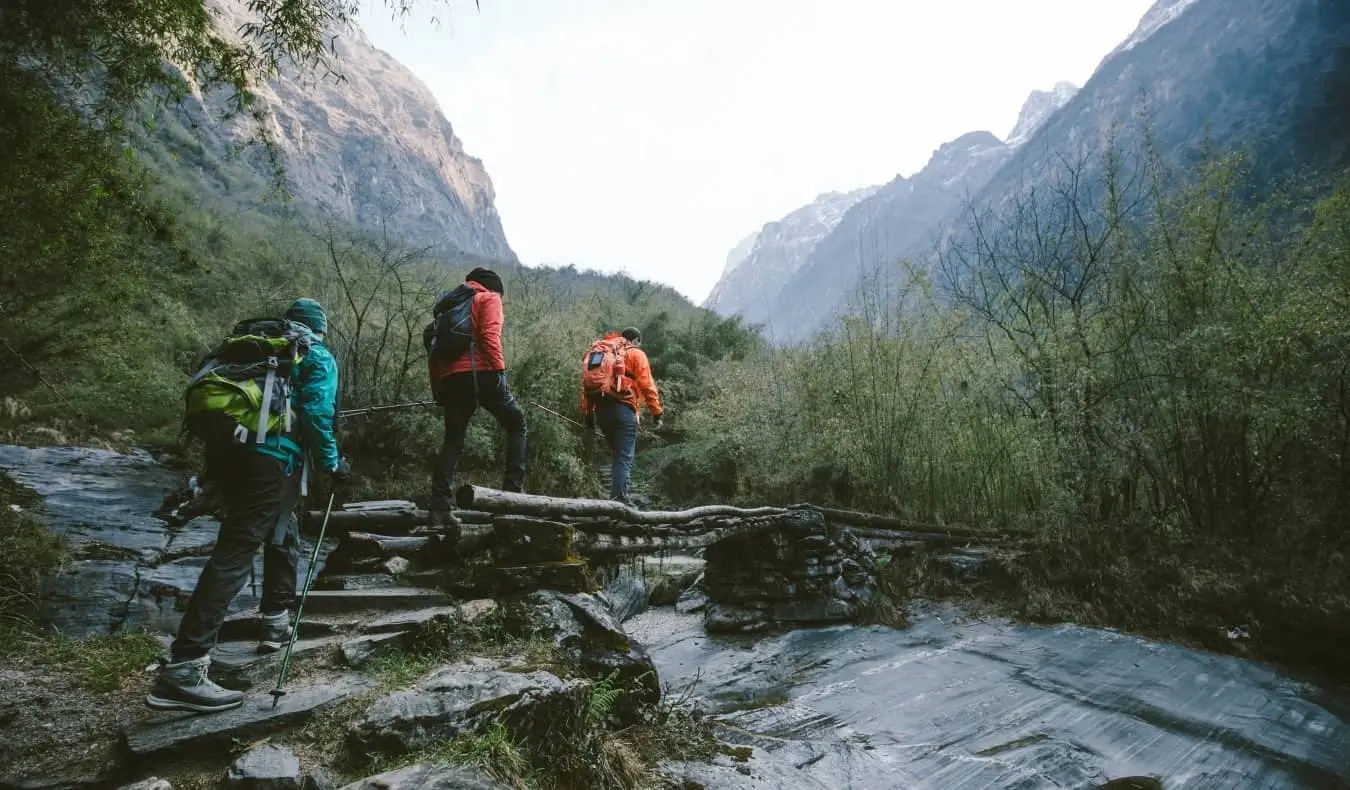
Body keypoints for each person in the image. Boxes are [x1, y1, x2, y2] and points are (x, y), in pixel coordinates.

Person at [146, 298, 350, 713]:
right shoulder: (315, 353)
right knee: (237, 550)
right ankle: (184, 669)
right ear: (318, 329)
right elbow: (315, 412)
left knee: (281, 527)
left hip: (232, 452)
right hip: (271, 458)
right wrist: (332, 463)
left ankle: (274, 621)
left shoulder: (255, 348)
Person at [427, 268, 528, 531]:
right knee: (517, 424)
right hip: (482, 373)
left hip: (450, 378)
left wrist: (438, 387)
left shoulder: (447, 306)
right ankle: (513, 496)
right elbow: (488, 336)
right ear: (492, 287)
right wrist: (499, 371)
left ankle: (439, 506)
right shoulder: (488, 299)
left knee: (453, 439)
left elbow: (434, 351)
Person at [580, 327, 663, 505]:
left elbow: (586, 387)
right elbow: (647, 384)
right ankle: (619, 502)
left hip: (601, 412)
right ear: (635, 340)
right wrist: (657, 413)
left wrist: (588, 417)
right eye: (639, 343)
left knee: (619, 455)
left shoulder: (600, 353)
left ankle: (618, 498)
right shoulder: (635, 354)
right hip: (624, 410)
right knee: (624, 457)